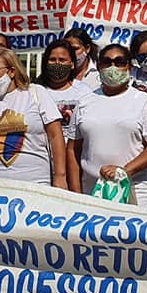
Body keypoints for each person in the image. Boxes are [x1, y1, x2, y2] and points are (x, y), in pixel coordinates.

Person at [0, 48, 67, 189]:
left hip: (35, 186)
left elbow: (55, 136)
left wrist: (60, 177)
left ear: (11, 71)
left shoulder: (36, 93)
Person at [70, 44, 147, 206]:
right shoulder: (84, 102)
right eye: (107, 62)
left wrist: (124, 171)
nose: (112, 67)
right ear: (99, 66)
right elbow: (73, 149)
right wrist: (75, 192)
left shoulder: (143, 102)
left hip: (133, 189)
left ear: (129, 67)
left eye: (119, 62)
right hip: (91, 191)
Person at [35, 40, 95, 191]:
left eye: (62, 60)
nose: (57, 64)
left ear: (72, 64)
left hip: (75, 161)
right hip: (43, 162)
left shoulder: (84, 91)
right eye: (52, 60)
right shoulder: (35, 90)